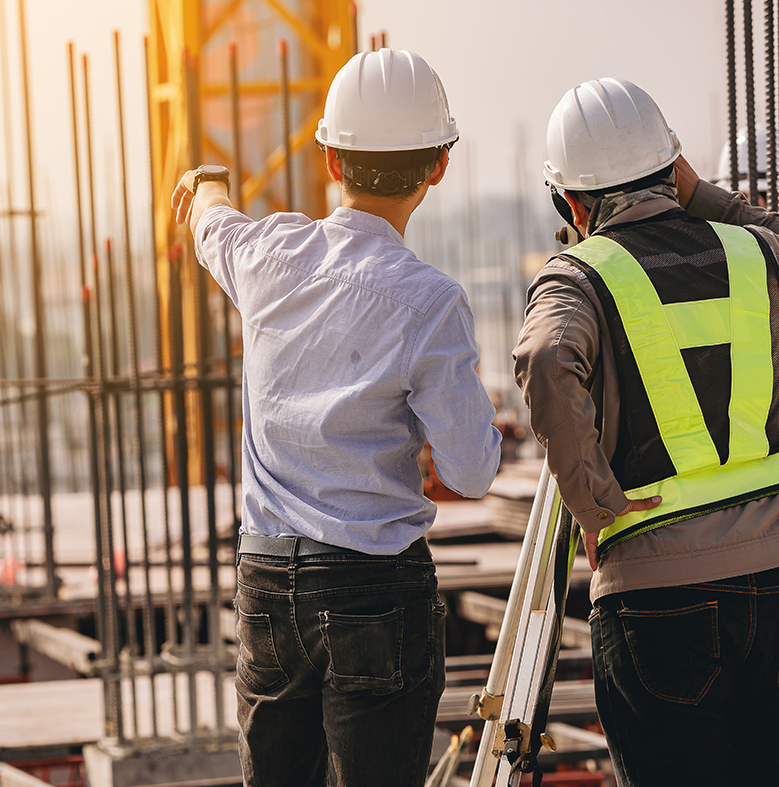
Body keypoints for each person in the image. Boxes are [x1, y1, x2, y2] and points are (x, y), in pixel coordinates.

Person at [171, 48, 502, 787]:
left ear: (328, 157)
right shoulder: (430, 301)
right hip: (370, 588)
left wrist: (207, 185)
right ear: (438, 168)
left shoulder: (266, 254)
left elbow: (210, 220)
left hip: (264, 584)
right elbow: (473, 471)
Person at [514, 77, 779, 786]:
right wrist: (707, 196)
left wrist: (594, 504)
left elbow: (544, 357)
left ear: (568, 202)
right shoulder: (754, 252)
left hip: (656, 602)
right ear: (674, 171)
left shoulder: (575, 276)